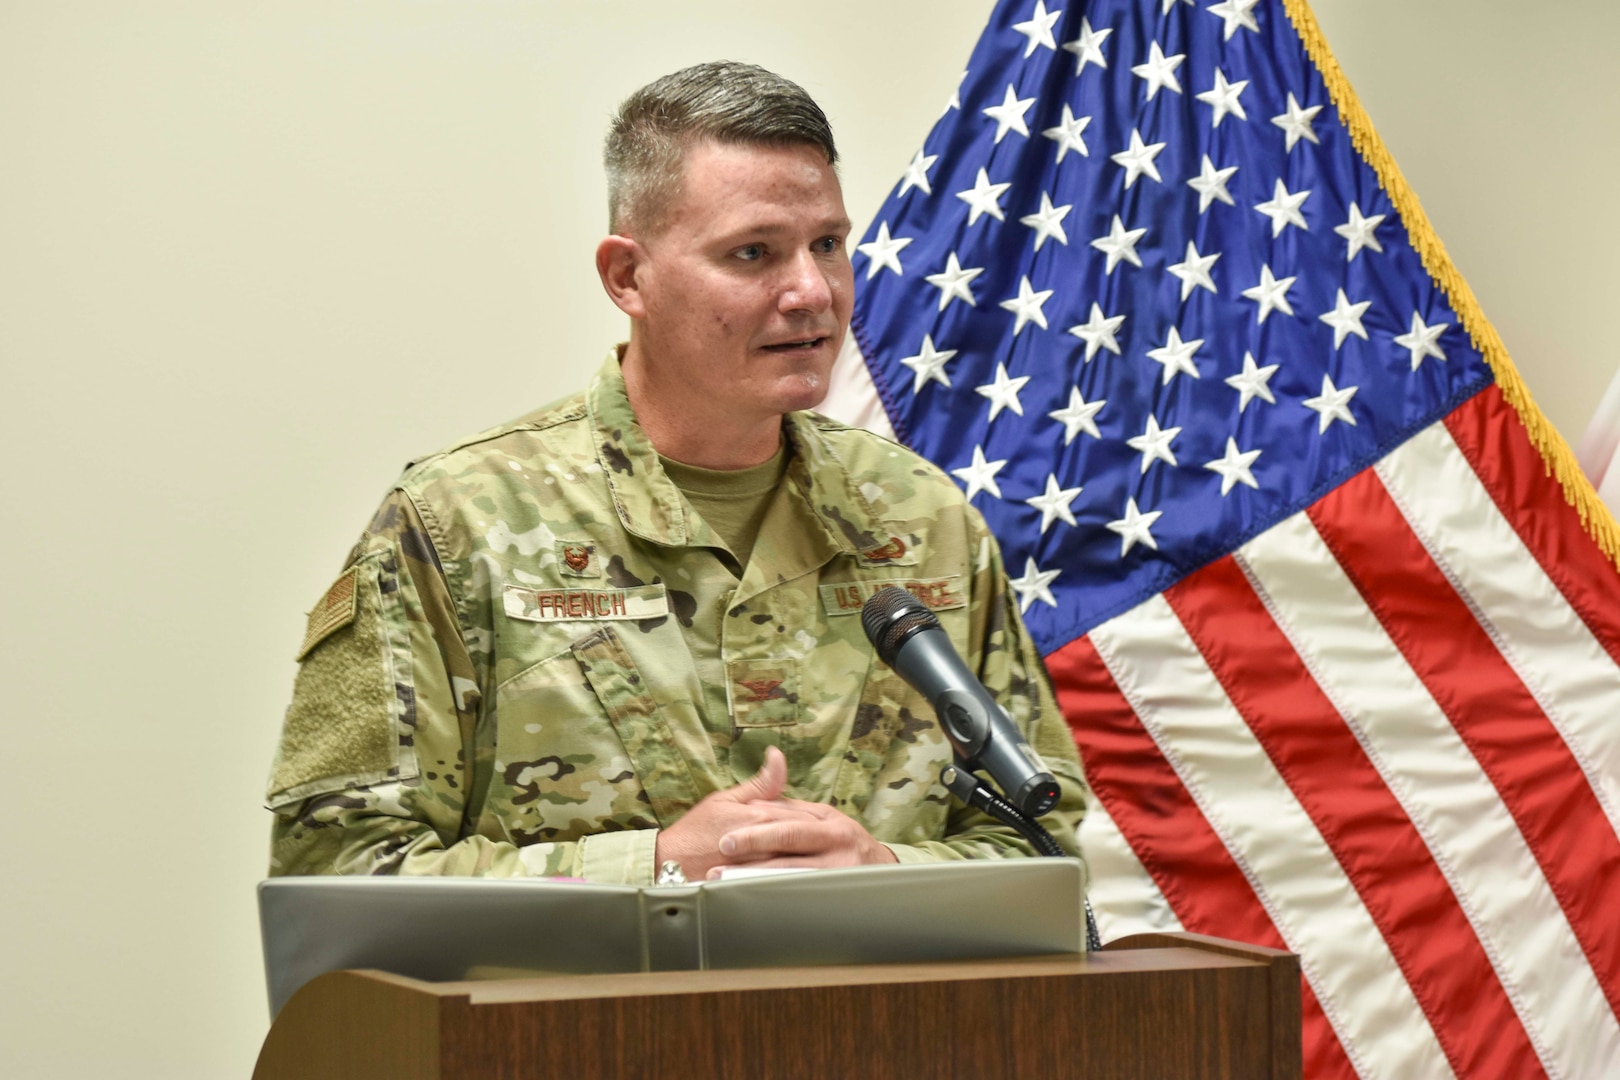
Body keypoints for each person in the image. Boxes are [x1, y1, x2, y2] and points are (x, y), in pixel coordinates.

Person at [265, 61, 1087, 885]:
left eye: (828, 245)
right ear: (629, 277)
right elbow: (335, 871)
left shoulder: (922, 519)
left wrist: (883, 869)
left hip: (872, 1018)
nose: (812, 292)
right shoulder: (457, 525)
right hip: (576, 1019)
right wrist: (649, 869)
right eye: (754, 253)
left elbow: (1047, 848)